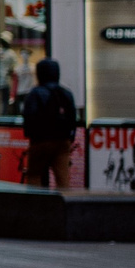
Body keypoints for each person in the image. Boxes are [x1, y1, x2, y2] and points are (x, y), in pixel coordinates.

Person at [18, 58, 79, 189]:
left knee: (34, 176)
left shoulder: (35, 93)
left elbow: (29, 117)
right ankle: (64, 201)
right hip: (63, 141)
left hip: (41, 141)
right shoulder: (66, 93)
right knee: (63, 179)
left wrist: (30, 135)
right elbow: (73, 118)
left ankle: (36, 201)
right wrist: (70, 138)